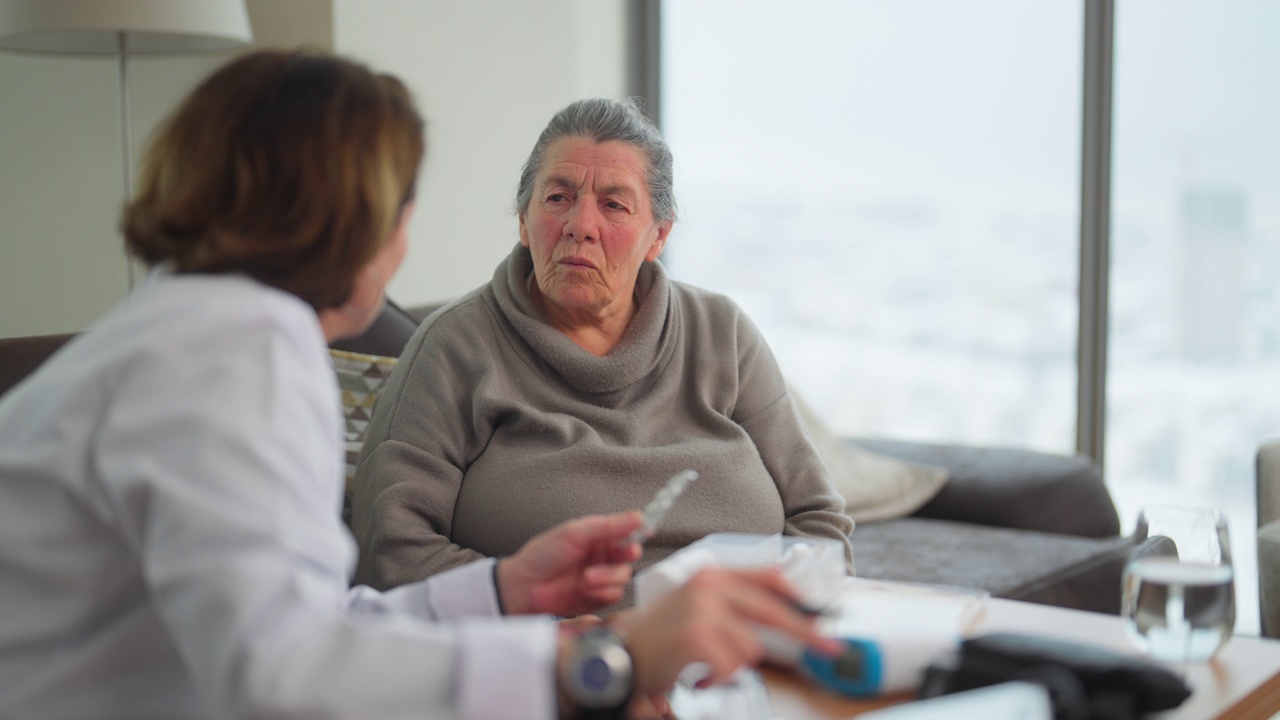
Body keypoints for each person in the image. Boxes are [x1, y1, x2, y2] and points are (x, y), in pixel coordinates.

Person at [0, 51, 838, 720]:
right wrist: (594, 662)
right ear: (354, 215)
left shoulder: (185, 327)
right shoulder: (239, 351)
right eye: (405, 201)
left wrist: (501, 590)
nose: (406, 235)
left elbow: (305, 628)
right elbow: (283, 678)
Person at [351, 97, 854, 599]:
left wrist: (779, 625)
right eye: (557, 198)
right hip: (548, 655)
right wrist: (560, 635)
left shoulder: (724, 332)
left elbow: (819, 522)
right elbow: (392, 552)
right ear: (524, 221)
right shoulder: (451, 348)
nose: (580, 225)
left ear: (658, 236)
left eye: (613, 204)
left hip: (737, 647)